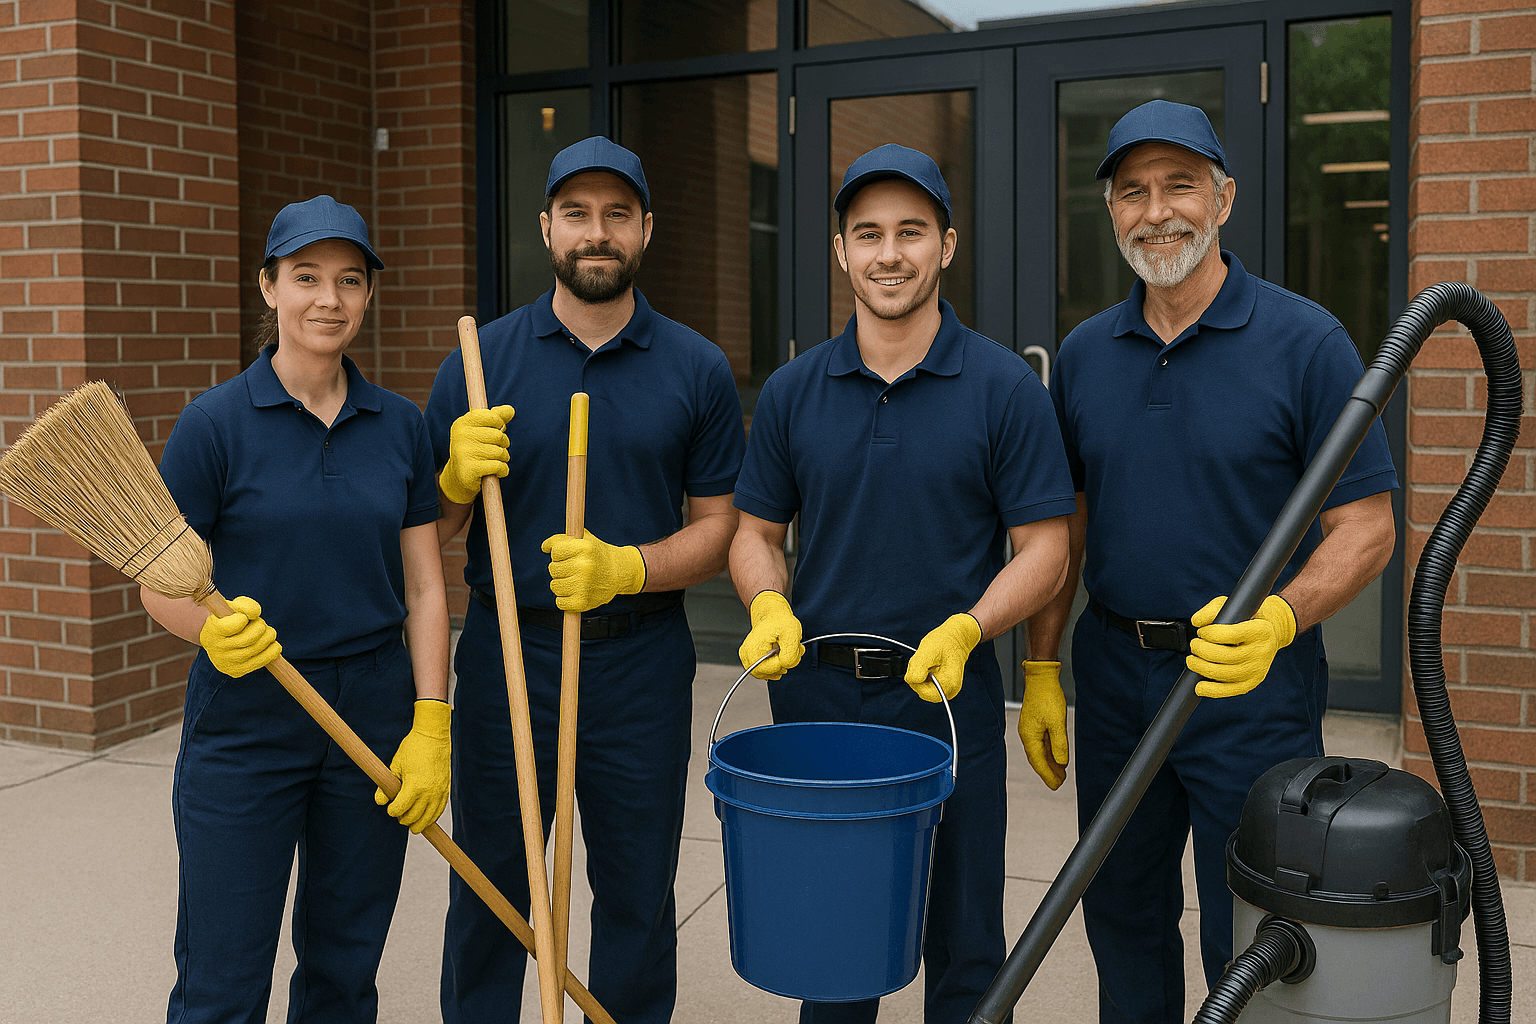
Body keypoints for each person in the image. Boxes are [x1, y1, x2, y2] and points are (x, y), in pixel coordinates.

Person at [1023, 100, 1398, 1024]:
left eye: (1180, 185)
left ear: (1224, 198)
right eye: (1133, 192)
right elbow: (1061, 531)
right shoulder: (1081, 356)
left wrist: (1278, 621)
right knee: (1121, 911)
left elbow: (1369, 527)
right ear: (1110, 210)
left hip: (1252, 689)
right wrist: (1039, 666)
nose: (1158, 211)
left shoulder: (1306, 342)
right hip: (1114, 677)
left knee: (1257, 927)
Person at [730, 144, 1075, 1023]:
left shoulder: (1004, 388)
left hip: (947, 703)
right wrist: (768, 599)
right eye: (869, 234)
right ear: (841, 251)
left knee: (965, 954)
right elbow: (753, 535)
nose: (890, 253)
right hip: (817, 709)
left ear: (947, 246)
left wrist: (970, 627)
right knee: (834, 956)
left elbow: (1047, 549)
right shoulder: (792, 391)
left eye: (911, 232)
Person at [426, 136, 746, 1024]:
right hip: (505, 654)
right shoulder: (481, 361)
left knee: (637, 893)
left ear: (646, 228)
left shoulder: (696, 367)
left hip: (639, 661)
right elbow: (431, 534)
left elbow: (720, 530)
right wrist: (451, 479)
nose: (596, 233)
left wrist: (628, 568)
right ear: (546, 228)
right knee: (492, 884)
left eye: (616, 214)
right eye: (577, 214)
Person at [143, 195, 453, 1023]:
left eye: (350, 280)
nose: (330, 299)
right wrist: (214, 634)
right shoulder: (213, 426)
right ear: (268, 287)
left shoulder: (401, 427)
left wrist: (431, 723)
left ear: (368, 295)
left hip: (374, 707)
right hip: (249, 710)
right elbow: (159, 584)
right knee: (222, 977)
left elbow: (424, 587)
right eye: (307, 277)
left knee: (344, 969)